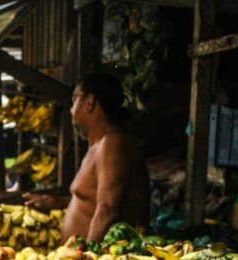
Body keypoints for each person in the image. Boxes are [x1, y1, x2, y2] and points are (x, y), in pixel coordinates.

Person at [23, 72, 150, 242]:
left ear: (89, 103)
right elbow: (96, 200)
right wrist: (59, 202)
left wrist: (87, 258)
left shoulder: (112, 143)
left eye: (75, 99)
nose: (70, 109)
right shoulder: (98, 145)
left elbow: (108, 210)